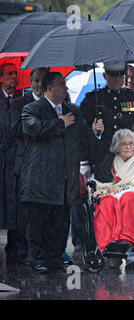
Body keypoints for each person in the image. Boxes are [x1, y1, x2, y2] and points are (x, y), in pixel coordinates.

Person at [21, 72, 99, 274]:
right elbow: (33, 129)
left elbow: (84, 138)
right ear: (49, 88)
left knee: (60, 221)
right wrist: (59, 123)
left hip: (66, 177)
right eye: (61, 84)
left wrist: (96, 132)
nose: (65, 88)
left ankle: (55, 256)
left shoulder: (73, 110)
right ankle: (36, 258)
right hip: (41, 178)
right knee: (39, 221)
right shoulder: (32, 109)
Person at [92, 129, 134, 268]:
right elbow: (102, 181)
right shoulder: (109, 162)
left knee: (128, 198)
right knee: (107, 202)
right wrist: (109, 188)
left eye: (131, 144)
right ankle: (111, 245)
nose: (128, 147)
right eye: (124, 144)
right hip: (112, 194)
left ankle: (127, 240)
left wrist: (123, 188)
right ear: (117, 147)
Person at [7, 67, 49, 265]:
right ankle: (22, 252)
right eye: (36, 81)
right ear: (31, 82)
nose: (39, 85)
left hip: (48, 165)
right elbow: (16, 131)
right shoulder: (19, 103)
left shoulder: (56, 103)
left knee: (45, 211)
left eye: (43, 81)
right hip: (25, 164)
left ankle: (44, 251)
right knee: (25, 211)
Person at [79, 60, 134, 169]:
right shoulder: (93, 99)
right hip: (103, 158)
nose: (116, 79)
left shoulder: (133, 98)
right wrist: (85, 161)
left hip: (129, 158)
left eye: (120, 75)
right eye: (112, 75)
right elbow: (82, 132)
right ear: (104, 75)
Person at [0, 62, 22, 264]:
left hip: (15, 160)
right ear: (1, 78)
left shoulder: (20, 99)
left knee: (15, 203)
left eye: (15, 73)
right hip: (2, 158)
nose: (14, 77)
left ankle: (14, 248)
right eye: (10, 74)